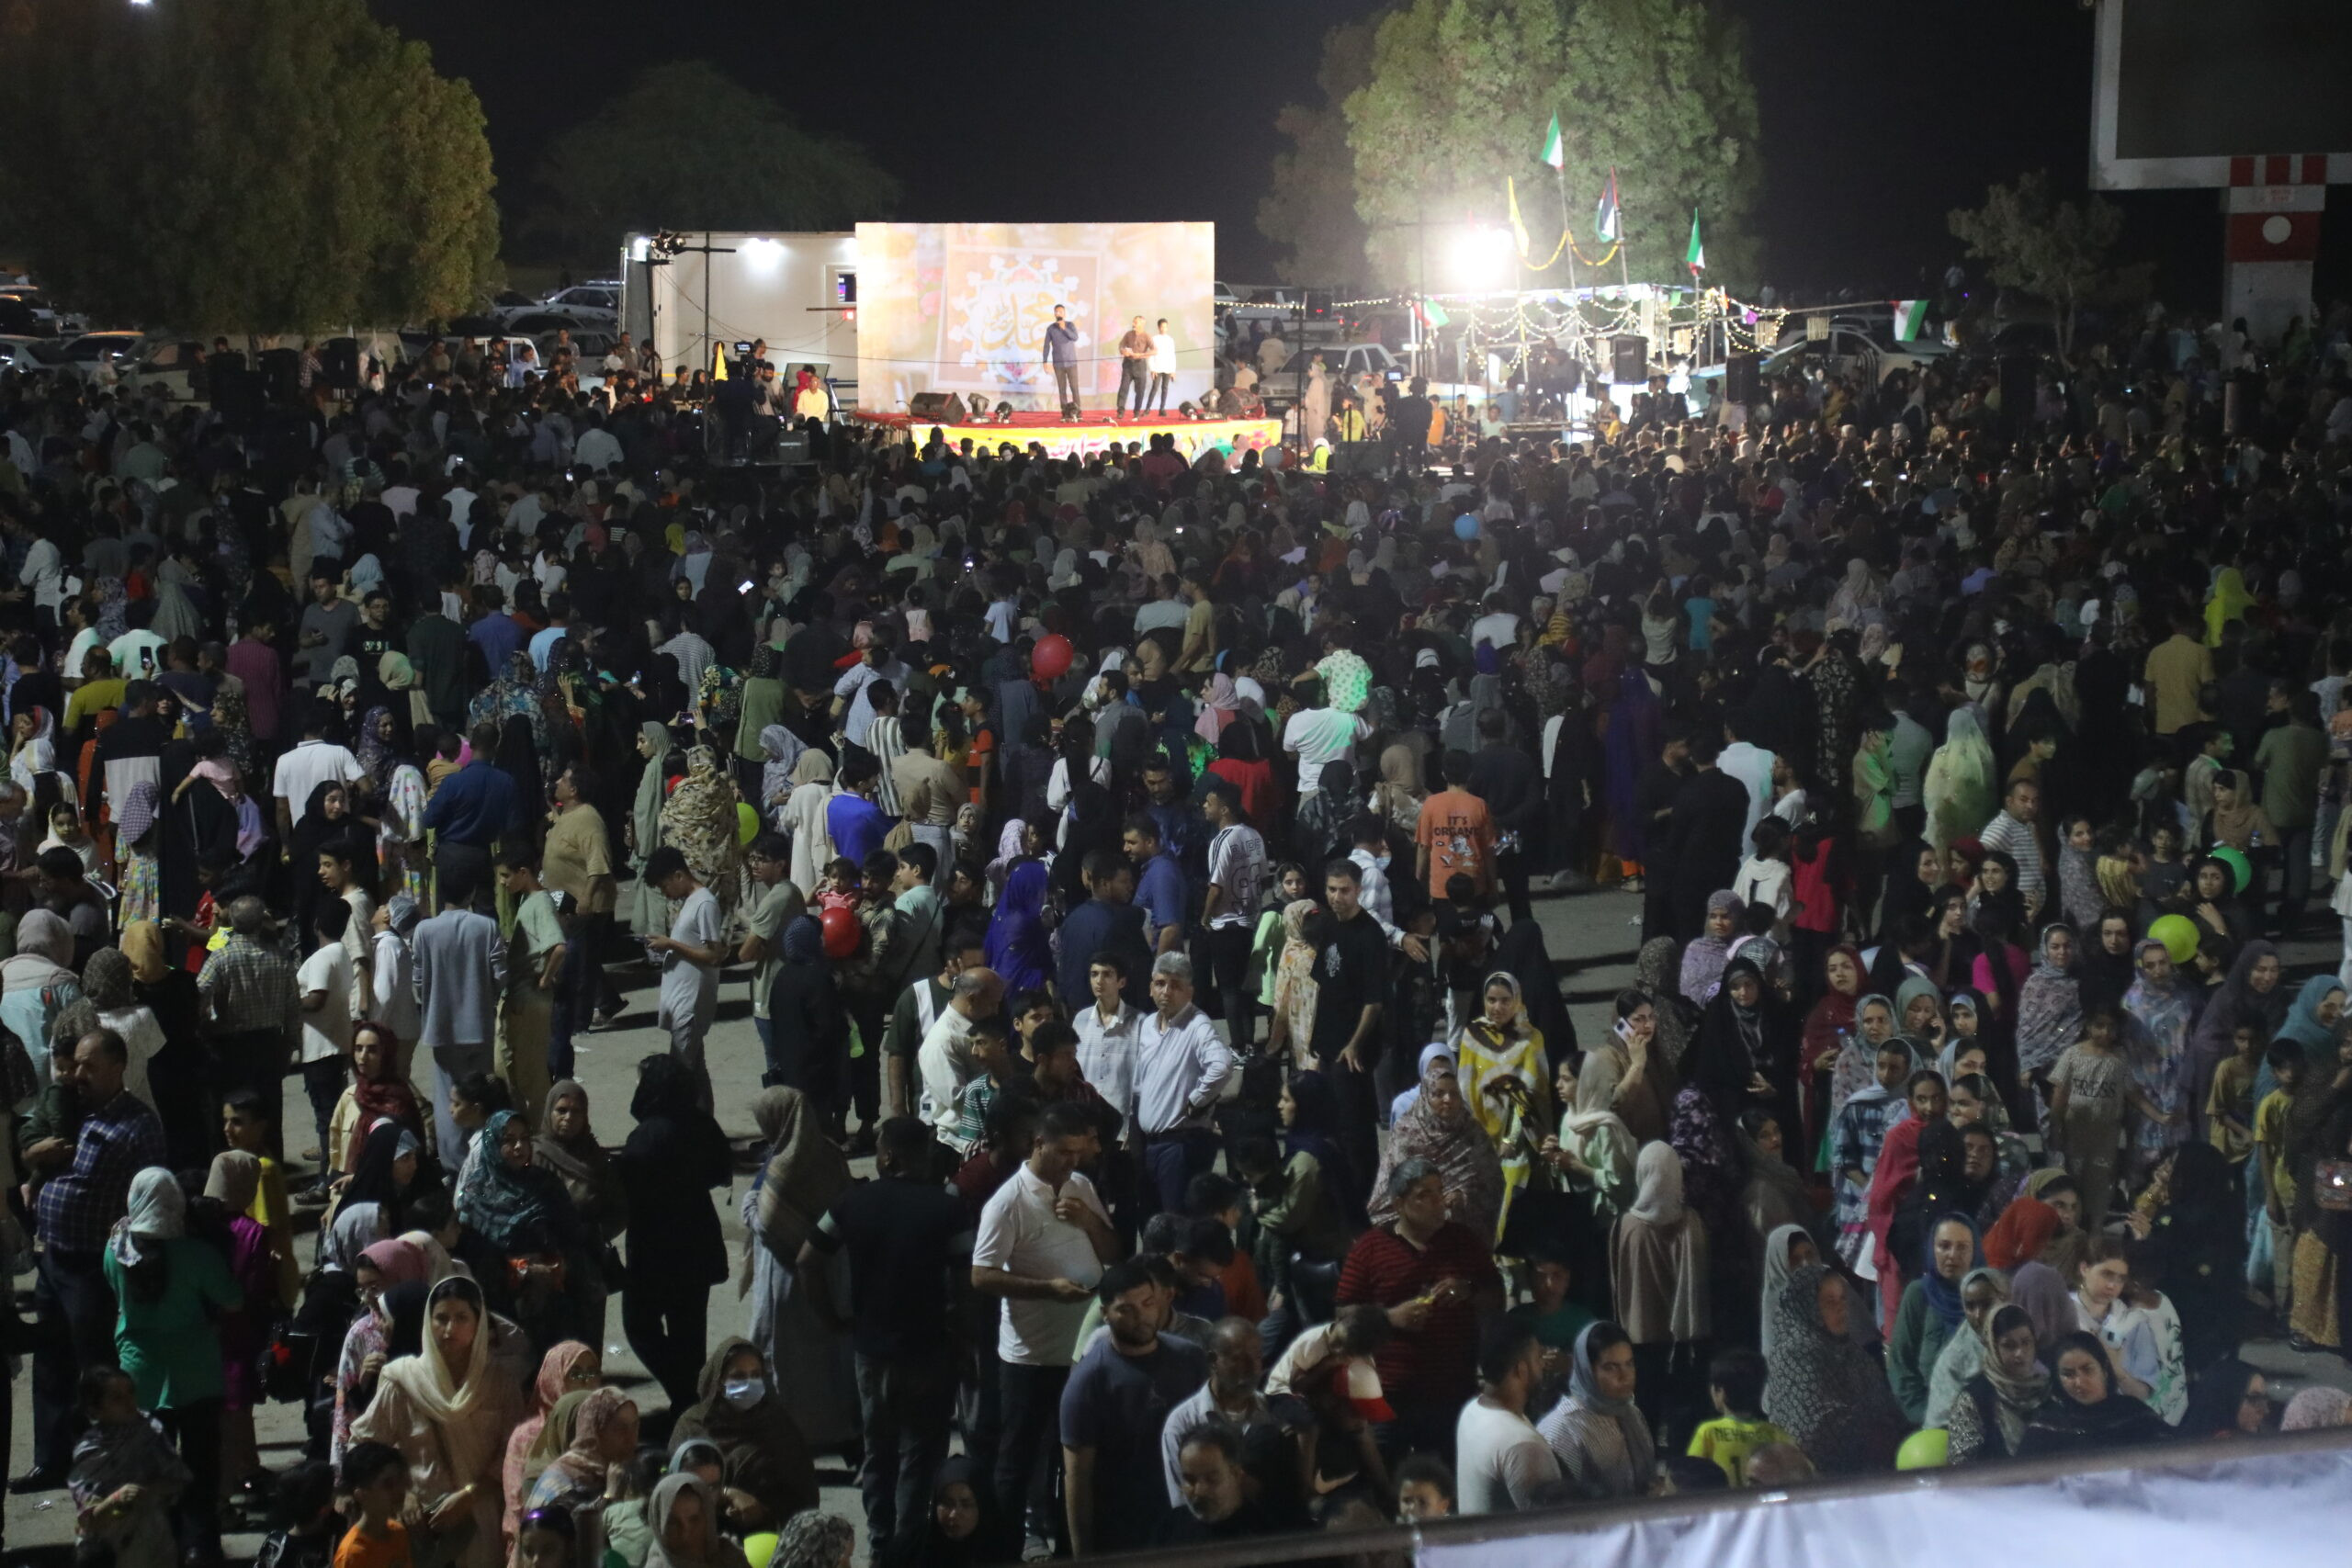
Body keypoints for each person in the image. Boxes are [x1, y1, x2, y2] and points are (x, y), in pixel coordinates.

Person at [799, 1116, 971, 1551]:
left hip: (872, 1355)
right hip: (928, 1353)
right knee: (921, 1456)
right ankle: (908, 1546)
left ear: (889, 1157)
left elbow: (807, 1260)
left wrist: (832, 1319)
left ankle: (879, 1543)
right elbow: (967, 1282)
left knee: (879, 1453)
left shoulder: (852, 1203)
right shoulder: (948, 1210)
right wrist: (963, 1341)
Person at [970, 1101, 1118, 1555]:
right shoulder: (1008, 1202)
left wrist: (1089, 1220)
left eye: (1078, 1152)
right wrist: (1048, 1289)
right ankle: (1004, 1551)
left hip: (1082, 1353)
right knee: (1017, 1461)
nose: (1073, 1160)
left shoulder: (1081, 1187)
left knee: (1073, 1458)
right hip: (1031, 1359)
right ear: (1038, 1144)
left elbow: (1113, 1251)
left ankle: (1069, 1551)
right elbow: (981, 1275)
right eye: (1064, 1152)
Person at [25, 1027, 169, 1491]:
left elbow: (152, 1198)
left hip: (92, 1263)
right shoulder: (68, 1107)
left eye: (89, 1065)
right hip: (52, 1255)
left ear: (117, 1066)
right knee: (50, 1361)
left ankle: (107, 1463)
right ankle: (50, 1460)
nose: (78, 1074)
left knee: (95, 1367)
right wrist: (34, 1154)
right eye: (76, 1065)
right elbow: (29, 1136)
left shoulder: (137, 1124)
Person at [350, 1275, 524, 1568]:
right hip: (419, 1527)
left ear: (478, 1324)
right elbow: (364, 1446)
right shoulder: (403, 1381)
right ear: (428, 1323)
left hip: (482, 1524)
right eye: (441, 1318)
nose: (450, 1329)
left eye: (461, 1318)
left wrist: (469, 1496)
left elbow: (514, 1455)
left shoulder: (500, 1384)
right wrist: (401, 1494)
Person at [1058, 1258, 1208, 1556]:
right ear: (1105, 1314)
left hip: (1185, 1522)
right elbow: (1078, 1477)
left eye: (1148, 1303)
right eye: (1126, 1309)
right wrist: (1084, 1555)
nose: (1141, 1316)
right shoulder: (1089, 1382)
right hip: (1122, 1532)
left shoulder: (1190, 1359)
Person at [615, 1055, 733, 1416]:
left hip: (656, 1247)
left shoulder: (648, 1135)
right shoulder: (702, 1124)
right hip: (697, 1241)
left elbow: (626, 1185)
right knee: (690, 1334)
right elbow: (721, 1170)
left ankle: (687, 1398)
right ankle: (692, 1404)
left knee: (640, 1325)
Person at [1760, 1262, 1905, 1474]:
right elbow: (1814, 1430)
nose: (1840, 1307)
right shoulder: (1795, 1354)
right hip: (1817, 1479)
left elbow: (1884, 1406)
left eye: (1842, 1299)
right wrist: (1873, 1428)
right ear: (1808, 1306)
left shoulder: (1852, 1352)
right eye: (1829, 1301)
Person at [667, 1339, 819, 1531]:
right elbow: (675, 1487)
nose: (748, 1383)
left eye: (755, 1375)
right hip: (700, 1529)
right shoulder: (693, 1425)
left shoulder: (778, 1424)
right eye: (738, 1376)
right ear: (719, 1382)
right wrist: (725, 1494)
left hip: (771, 1532)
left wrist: (763, 1512)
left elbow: (804, 1496)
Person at [412, 878, 504, 1172]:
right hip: (479, 1026)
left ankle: (453, 1166)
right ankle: (483, 1159)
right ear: (472, 891)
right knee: (481, 1096)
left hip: (442, 1030)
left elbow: (418, 981)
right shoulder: (486, 926)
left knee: (447, 1099)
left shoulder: (425, 930)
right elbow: (500, 975)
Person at [642, 845, 726, 1112]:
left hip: (690, 1004)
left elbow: (713, 954)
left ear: (678, 875)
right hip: (682, 1001)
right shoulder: (691, 902)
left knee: (680, 1075)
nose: (665, 893)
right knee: (695, 1071)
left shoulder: (704, 904)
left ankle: (688, 1128)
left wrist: (671, 944)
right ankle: (706, 1125)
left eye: (665, 885)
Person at [1453, 1317, 1563, 1513]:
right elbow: (1550, 1523)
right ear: (1521, 1370)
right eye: (1538, 1358)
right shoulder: (1522, 1445)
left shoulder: (1472, 1411)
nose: (1542, 1366)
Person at [2016, 1329, 2170, 1456]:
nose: (2079, 1382)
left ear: (2104, 1370)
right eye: (2068, 1374)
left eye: (2087, 1370)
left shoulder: (2134, 1414)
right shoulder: (2047, 1426)